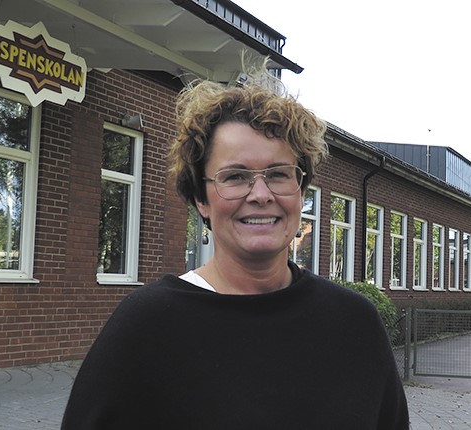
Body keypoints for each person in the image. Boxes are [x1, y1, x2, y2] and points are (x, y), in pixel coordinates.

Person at [61, 61, 409, 429]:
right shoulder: (146, 325)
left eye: (278, 174)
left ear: (300, 191)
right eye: (235, 177)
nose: (260, 194)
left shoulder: (354, 324)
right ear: (201, 199)